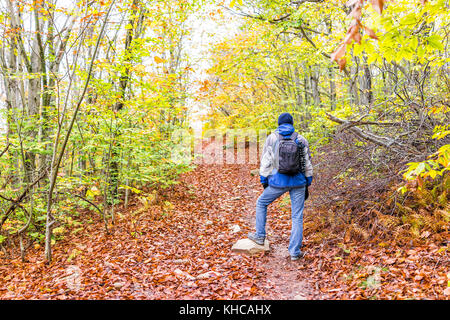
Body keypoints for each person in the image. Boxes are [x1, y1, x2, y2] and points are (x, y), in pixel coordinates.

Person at [247, 112, 313, 261]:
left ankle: (259, 236)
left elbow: (265, 163)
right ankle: (295, 252)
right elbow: (307, 163)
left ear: (279, 124)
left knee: (261, 203)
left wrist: (264, 180)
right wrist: (308, 181)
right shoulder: (301, 139)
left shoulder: (272, 138)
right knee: (297, 216)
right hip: (299, 182)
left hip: (278, 182)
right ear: (292, 123)